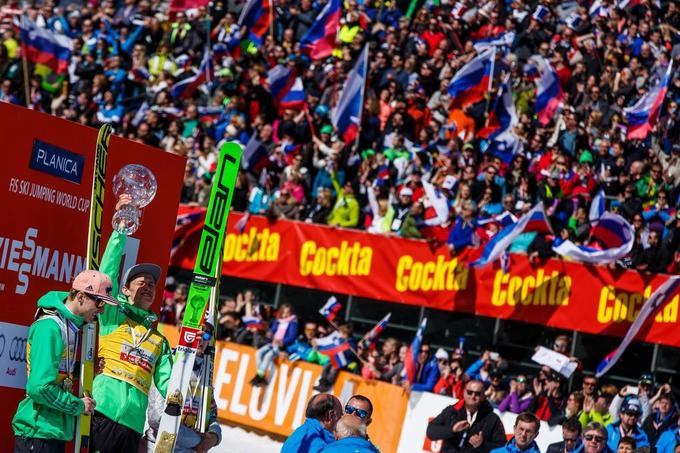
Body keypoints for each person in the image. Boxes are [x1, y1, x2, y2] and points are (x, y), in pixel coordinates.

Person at [90, 197, 174, 453]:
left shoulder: (159, 340)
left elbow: (170, 384)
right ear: (124, 290)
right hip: (101, 413)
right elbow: (106, 273)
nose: (149, 285)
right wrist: (120, 231)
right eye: (141, 281)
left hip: (132, 425)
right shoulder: (113, 317)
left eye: (152, 283)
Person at [12, 270, 115, 453]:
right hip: (38, 431)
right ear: (81, 297)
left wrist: (81, 371)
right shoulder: (50, 327)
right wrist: (78, 405)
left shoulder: (69, 325)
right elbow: (39, 388)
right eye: (99, 303)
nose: (102, 310)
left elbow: (55, 371)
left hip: (51, 431)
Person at [144, 321, 221, 453]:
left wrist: (214, 436)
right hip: (157, 446)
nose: (201, 339)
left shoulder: (205, 370)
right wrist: (197, 441)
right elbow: (158, 418)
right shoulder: (168, 362)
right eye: (197, 332)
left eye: (206, 335)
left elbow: (211, 414)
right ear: (182, 330)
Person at [426, 380, 506, 453]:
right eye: (469, 392)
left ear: (483, 397)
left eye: (477, 394)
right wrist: (452, 430)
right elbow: (430, 432)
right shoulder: (451, 411)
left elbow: (502, 447)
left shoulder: (493, 419)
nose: (473, 396)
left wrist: (482, 445)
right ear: (464, 393)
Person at [250, 303, 298, 386]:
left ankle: (259, 376)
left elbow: (292, 337)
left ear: (291, 313)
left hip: (282, 346)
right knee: (258, 353)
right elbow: (273, 330)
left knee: (268, 356)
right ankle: (261, 376)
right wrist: (269, 333)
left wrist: (282, 341)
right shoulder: (278, 321)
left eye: (287, 313)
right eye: (284, 312)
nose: (285, 315)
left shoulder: (293, 323)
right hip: (272, 343)